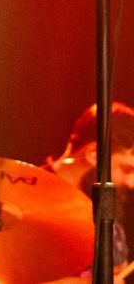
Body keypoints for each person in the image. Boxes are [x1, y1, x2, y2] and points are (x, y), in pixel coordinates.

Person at [47, 102, 134, 273]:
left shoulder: (105, 214)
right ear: (94, 155)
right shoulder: (23, 199)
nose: (131, 183)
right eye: (127, 169)